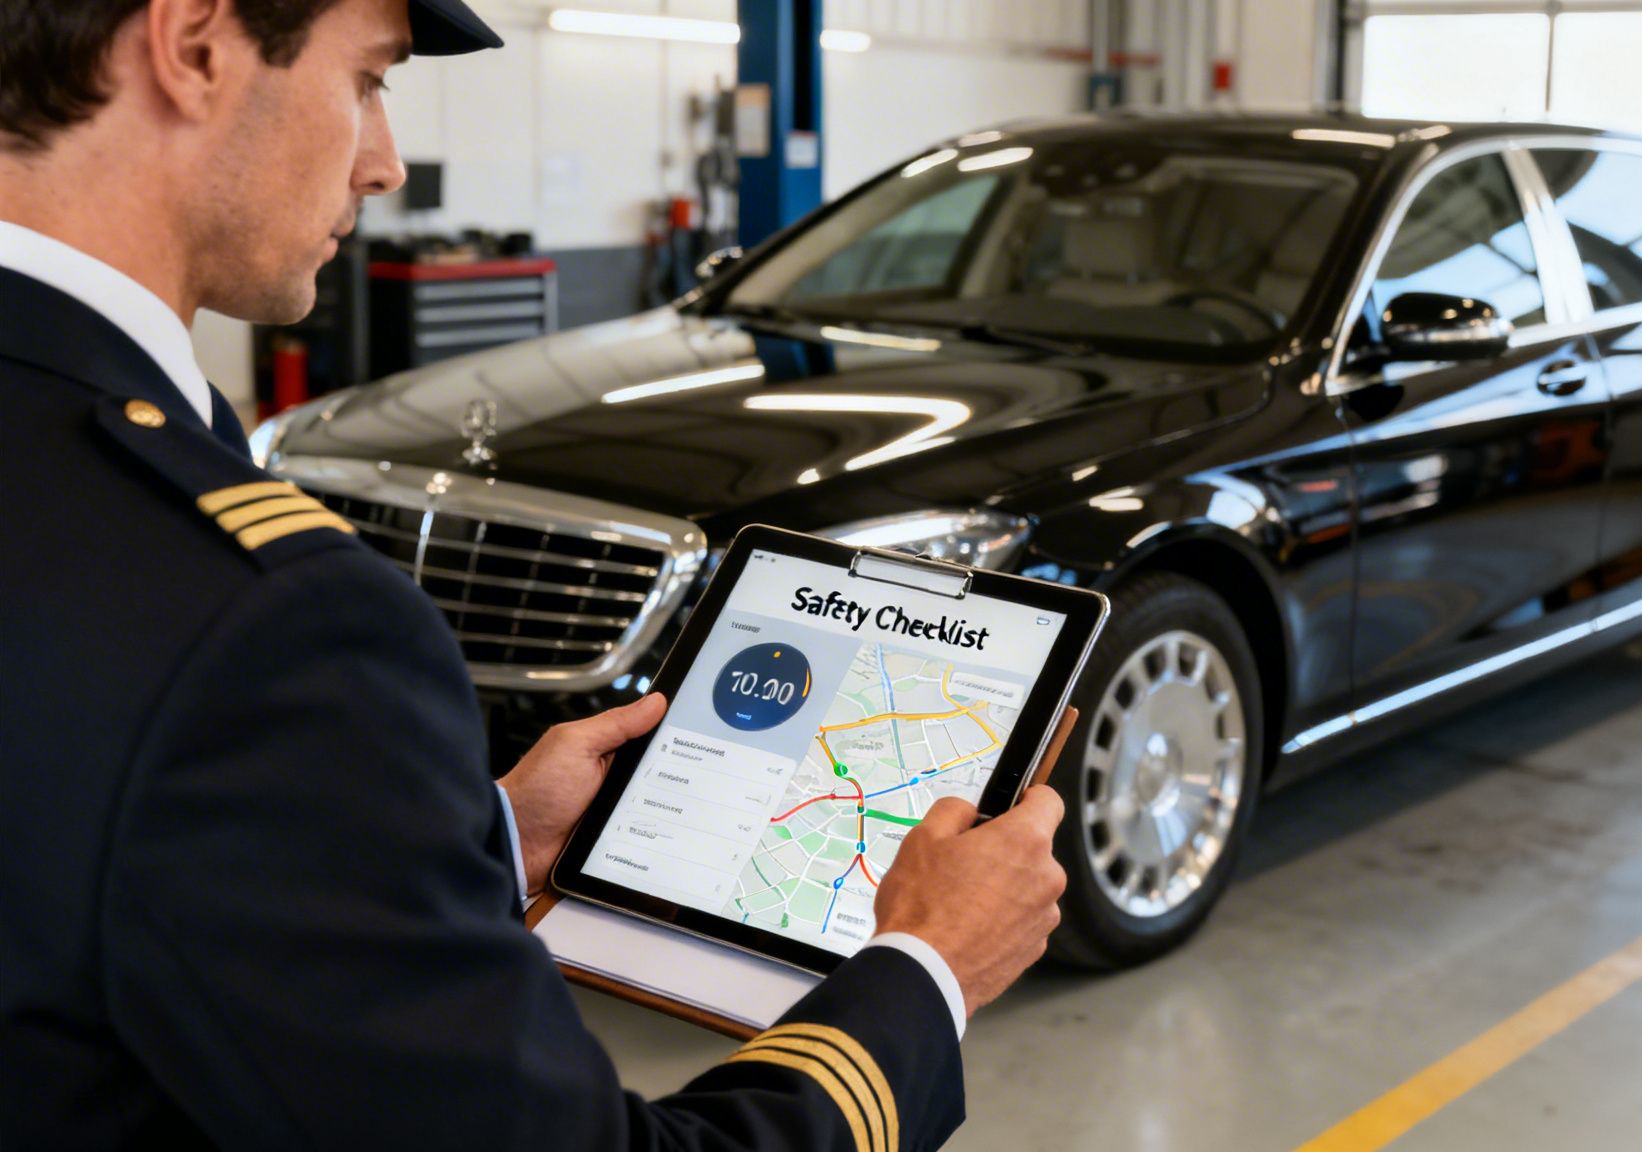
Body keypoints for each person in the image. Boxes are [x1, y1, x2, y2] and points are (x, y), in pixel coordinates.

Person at [0, 1, 1068, 1148]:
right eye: (366, 79)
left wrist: (474, 841)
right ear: (195, 42)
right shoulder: (270, 624)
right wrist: (924, 965)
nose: (383, 161)